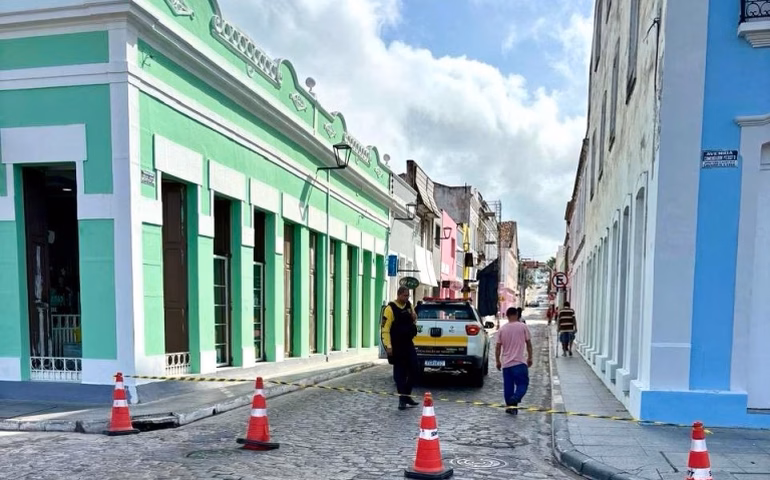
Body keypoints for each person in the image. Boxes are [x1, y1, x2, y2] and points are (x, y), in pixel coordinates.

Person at [381, 287, 421, 410]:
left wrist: (415, 318)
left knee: (415, 370)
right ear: (398, 295)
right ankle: (402, 400)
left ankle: (407, 395)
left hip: (408, 344)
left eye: (408, 296)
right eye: (404, 296)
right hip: (396, 346)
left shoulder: (409, 306)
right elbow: (385, 329)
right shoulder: (390, 309)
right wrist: (388, 346)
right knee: (400, 374)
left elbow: (414, 322)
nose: (406, 298)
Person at [495, 307, 532, 415]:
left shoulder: (502, 329)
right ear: (517, 315)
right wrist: (530, 357)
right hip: (520, 362)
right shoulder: (523, 327)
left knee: (508, 387)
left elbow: (498, 347)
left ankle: (510, 407)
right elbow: (529, 344)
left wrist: (498, 361)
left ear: (507, 316)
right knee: (523, 384)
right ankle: (515, 399)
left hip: (507, 364)